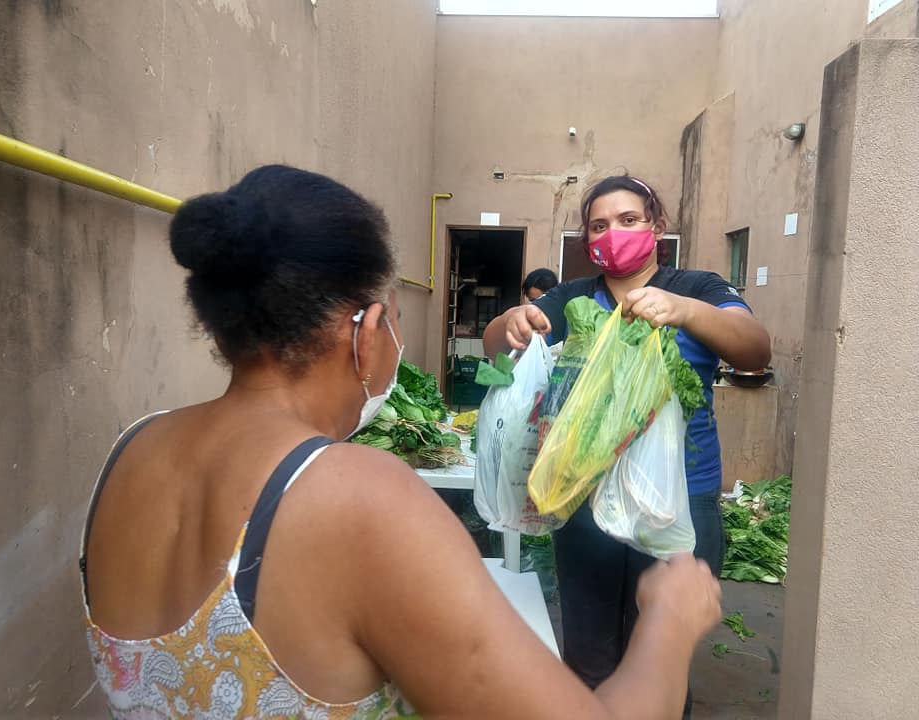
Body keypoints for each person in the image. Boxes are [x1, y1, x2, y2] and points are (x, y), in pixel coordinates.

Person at [80, 165, 721, 720]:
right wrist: (670, 620)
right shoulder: (357, 495)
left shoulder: (131, 452)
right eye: (391, 317)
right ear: (366, 329)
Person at [483, 174, 771, 718]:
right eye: (599, 225)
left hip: (681, 499)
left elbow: (755, 348)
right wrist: (510, 321)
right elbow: (498, 343)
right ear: (588, 238)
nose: (613, 232)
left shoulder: (699, 287)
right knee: (588, 654)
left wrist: (683, 310)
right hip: (586, 497)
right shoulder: (572, 297)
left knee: (661, 651)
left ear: (655, 227)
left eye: (628, 219)